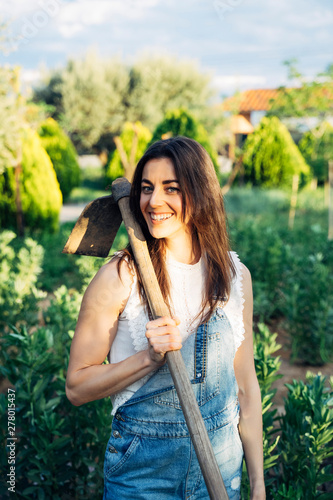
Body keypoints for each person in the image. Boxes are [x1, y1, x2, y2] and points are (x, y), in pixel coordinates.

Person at [66, 136, 266, 500]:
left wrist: (258, 486)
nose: (154, 201)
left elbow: (246, 388)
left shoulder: (235, 276)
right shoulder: (121, 277)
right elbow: (76, 387)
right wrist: (148, 358)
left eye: (170, 188)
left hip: (222, 466)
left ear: (200, 192)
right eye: (146, 188)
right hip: (144, 475)